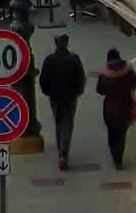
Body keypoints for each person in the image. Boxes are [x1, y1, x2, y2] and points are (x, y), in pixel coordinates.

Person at [39, 33, 87, 170]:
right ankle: (63, 154)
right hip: (70, 97)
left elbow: (43, 80)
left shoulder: (49, 60)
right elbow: (81, 77)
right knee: (68, 123)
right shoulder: (74, 59)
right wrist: (79, 91)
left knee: (58, 122)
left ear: (56, 43)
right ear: (67, 43)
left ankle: (61, 150)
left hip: (55, 97)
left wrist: (47, 92)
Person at [96, 47, 136, 170]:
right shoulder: (128, 71)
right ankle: (118, 159)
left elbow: (99, 90)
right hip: (125, 107)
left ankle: (114, 154)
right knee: (122, 133)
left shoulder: (105, 73)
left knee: (112, 133)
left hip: (109, 109)